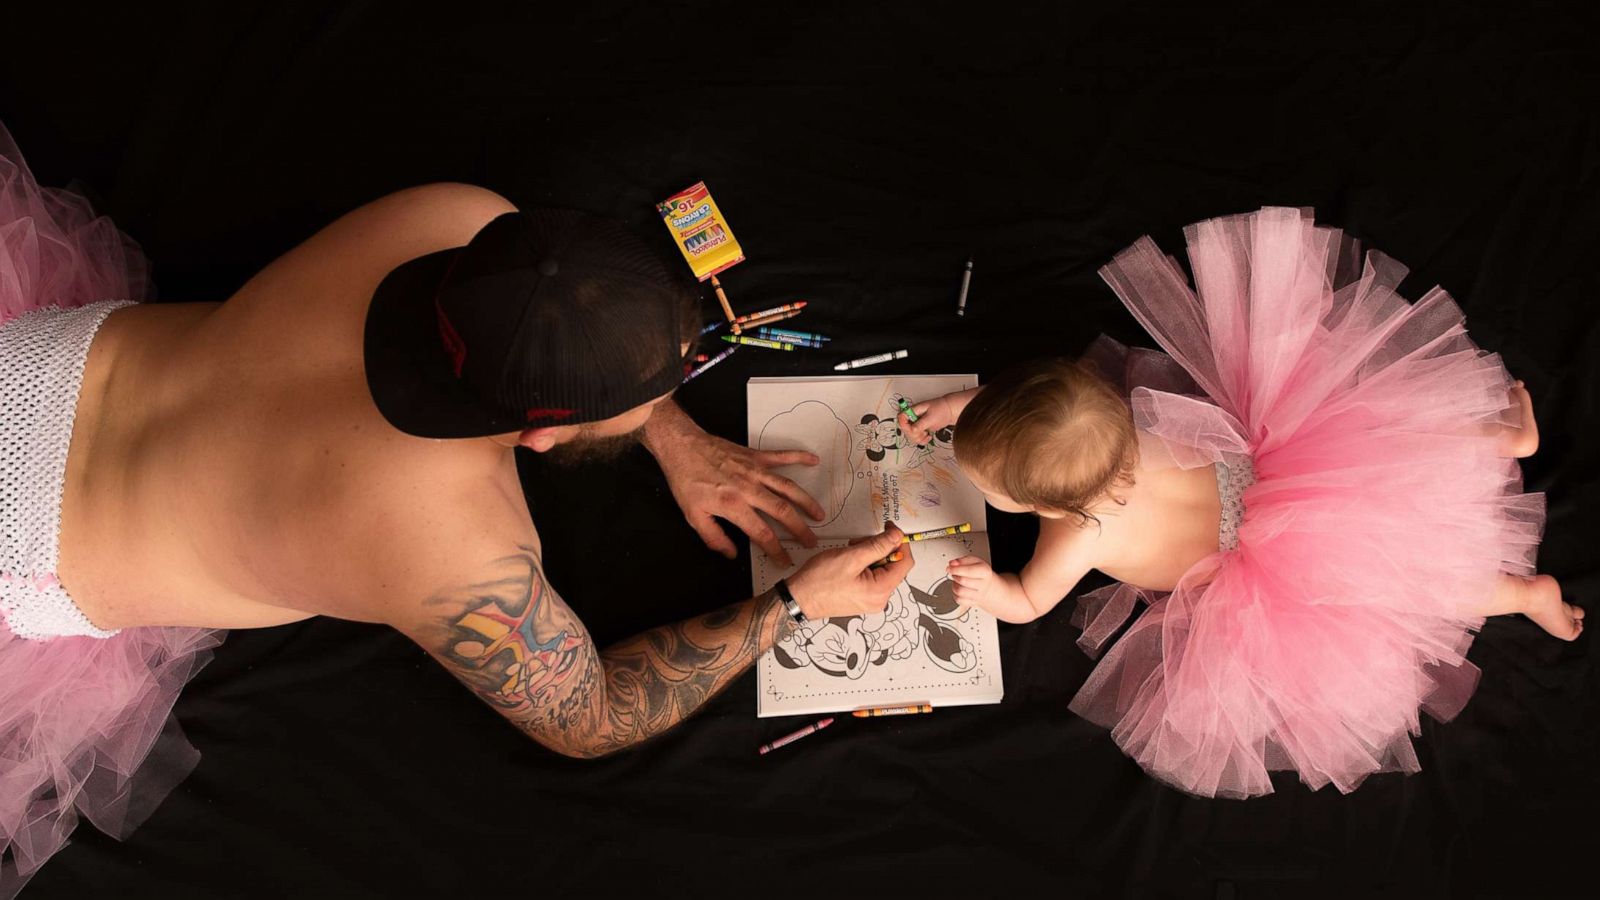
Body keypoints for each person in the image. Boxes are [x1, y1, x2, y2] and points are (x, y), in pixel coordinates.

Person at [0, 122, 914, 894]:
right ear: (542, 438)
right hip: (32, 557)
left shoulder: (459, 220)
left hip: (36, 369)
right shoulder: (454, 548)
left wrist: (674, 439)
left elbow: (557, 328)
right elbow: (590, 717)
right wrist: (795, 606)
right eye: (646, 402)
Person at [898, 206, 1577, 799]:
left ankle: (1526, 596)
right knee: (1376, 433)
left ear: (1044, 509)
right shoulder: (1117, 420)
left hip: (1275, 565)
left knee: (1405, 587)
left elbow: (1028, 602)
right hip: (1291, 466)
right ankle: (1496, 435)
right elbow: (1038, 413)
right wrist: (968, 408)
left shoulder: (1078, 537)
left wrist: (992, 587)